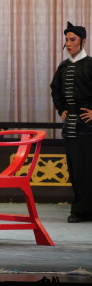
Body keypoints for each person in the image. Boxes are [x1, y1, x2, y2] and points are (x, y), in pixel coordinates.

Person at [50, 22, 92, 223]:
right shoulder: (64, 66)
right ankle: (80, 209)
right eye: (66, 40)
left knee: (88, 170)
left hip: (89, 127)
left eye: (72, 39)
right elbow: (55, 90)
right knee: (76, 170)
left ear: (83, 41)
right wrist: (62, 109)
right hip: (72, 126)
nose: (68, 43)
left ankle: (84, 210)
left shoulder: (90, 64)